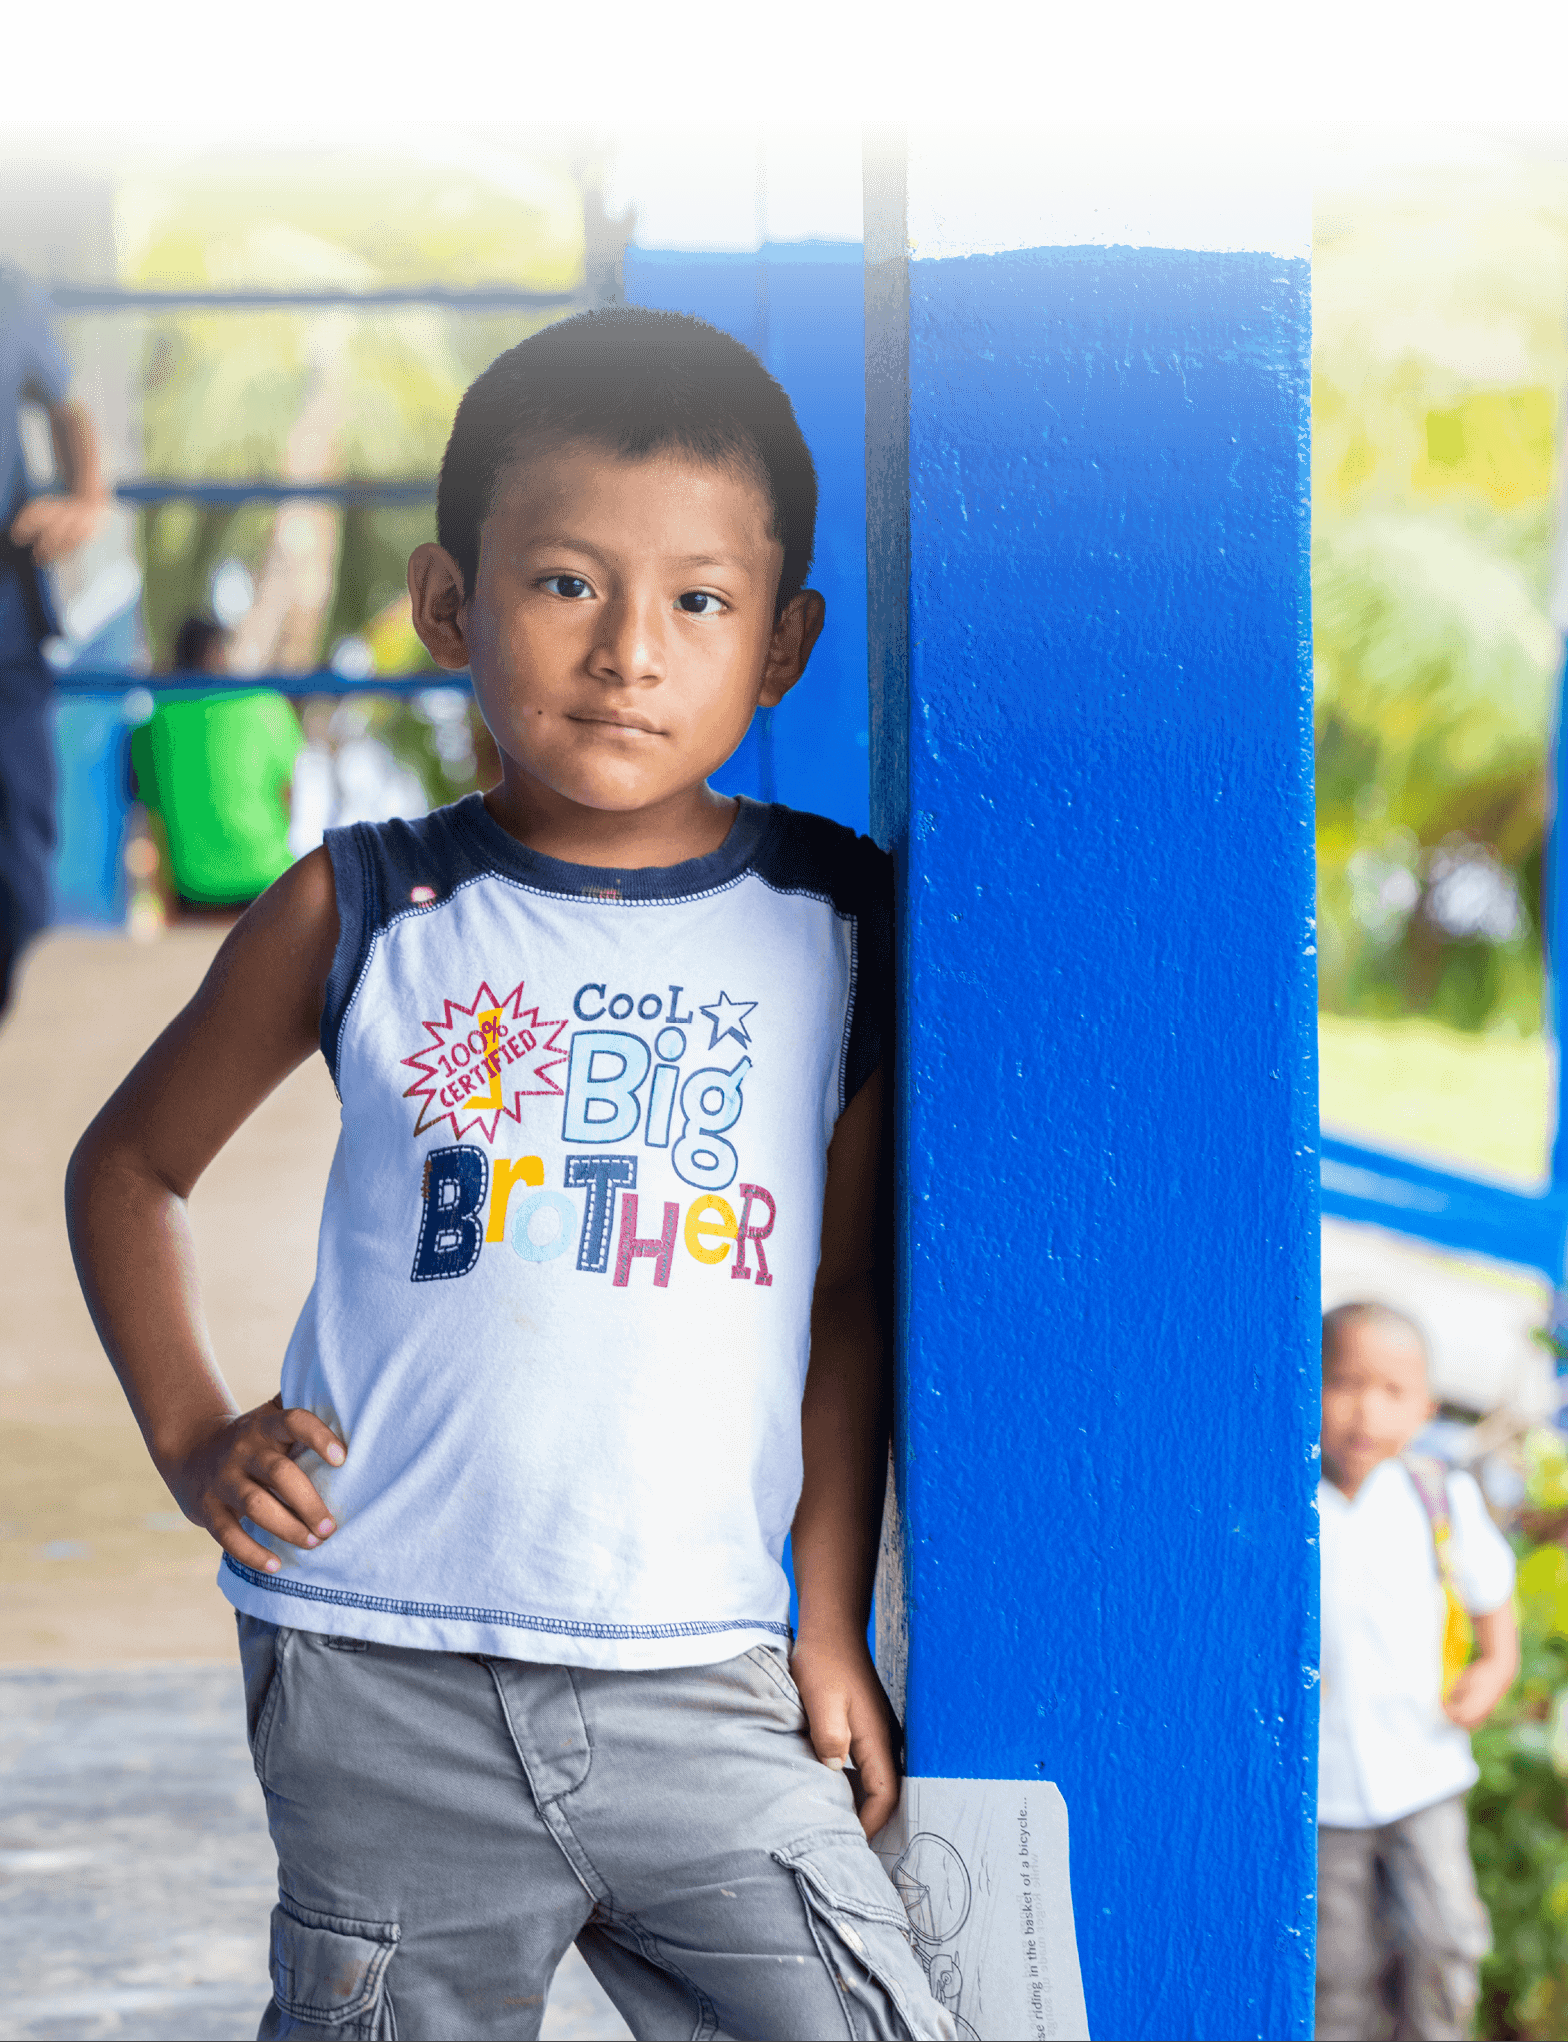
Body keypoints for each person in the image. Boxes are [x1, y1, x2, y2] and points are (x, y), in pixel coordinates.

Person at [66, 306, 954, 2042]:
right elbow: (129, 1168)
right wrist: (190, 1434)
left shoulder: (835, 926)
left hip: (703, 1674)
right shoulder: (367, 903)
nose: (629, 650)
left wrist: (826, 1620)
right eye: (565, 583)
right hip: (374, 1663)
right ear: (449, 602)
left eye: (696, 600)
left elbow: (840, 1303)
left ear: (780, 643)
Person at [1316, 1299, 1520, 2041]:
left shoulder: (1442, 1500)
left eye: (1392, 1391)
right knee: (1335, 1966)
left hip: (1423, 1774)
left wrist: (1490, 1674)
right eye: (1343, 1382)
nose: (1365, 1409)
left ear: (1426, 1407)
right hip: (1326, 1791)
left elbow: (1496, 1620)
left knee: (1443, 1937)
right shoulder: (1289, 1506)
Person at [1, 262, 108, 1014]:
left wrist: (86, 495)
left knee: (18, 855)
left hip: (8, 628)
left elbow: (67, 407)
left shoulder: (7, 295)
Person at [129, 611, 302, 914]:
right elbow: (289, 800)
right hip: (267, 881)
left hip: (193, 892)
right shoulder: (265, 704)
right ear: (220, 654)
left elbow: (155, 820)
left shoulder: (155, 721)